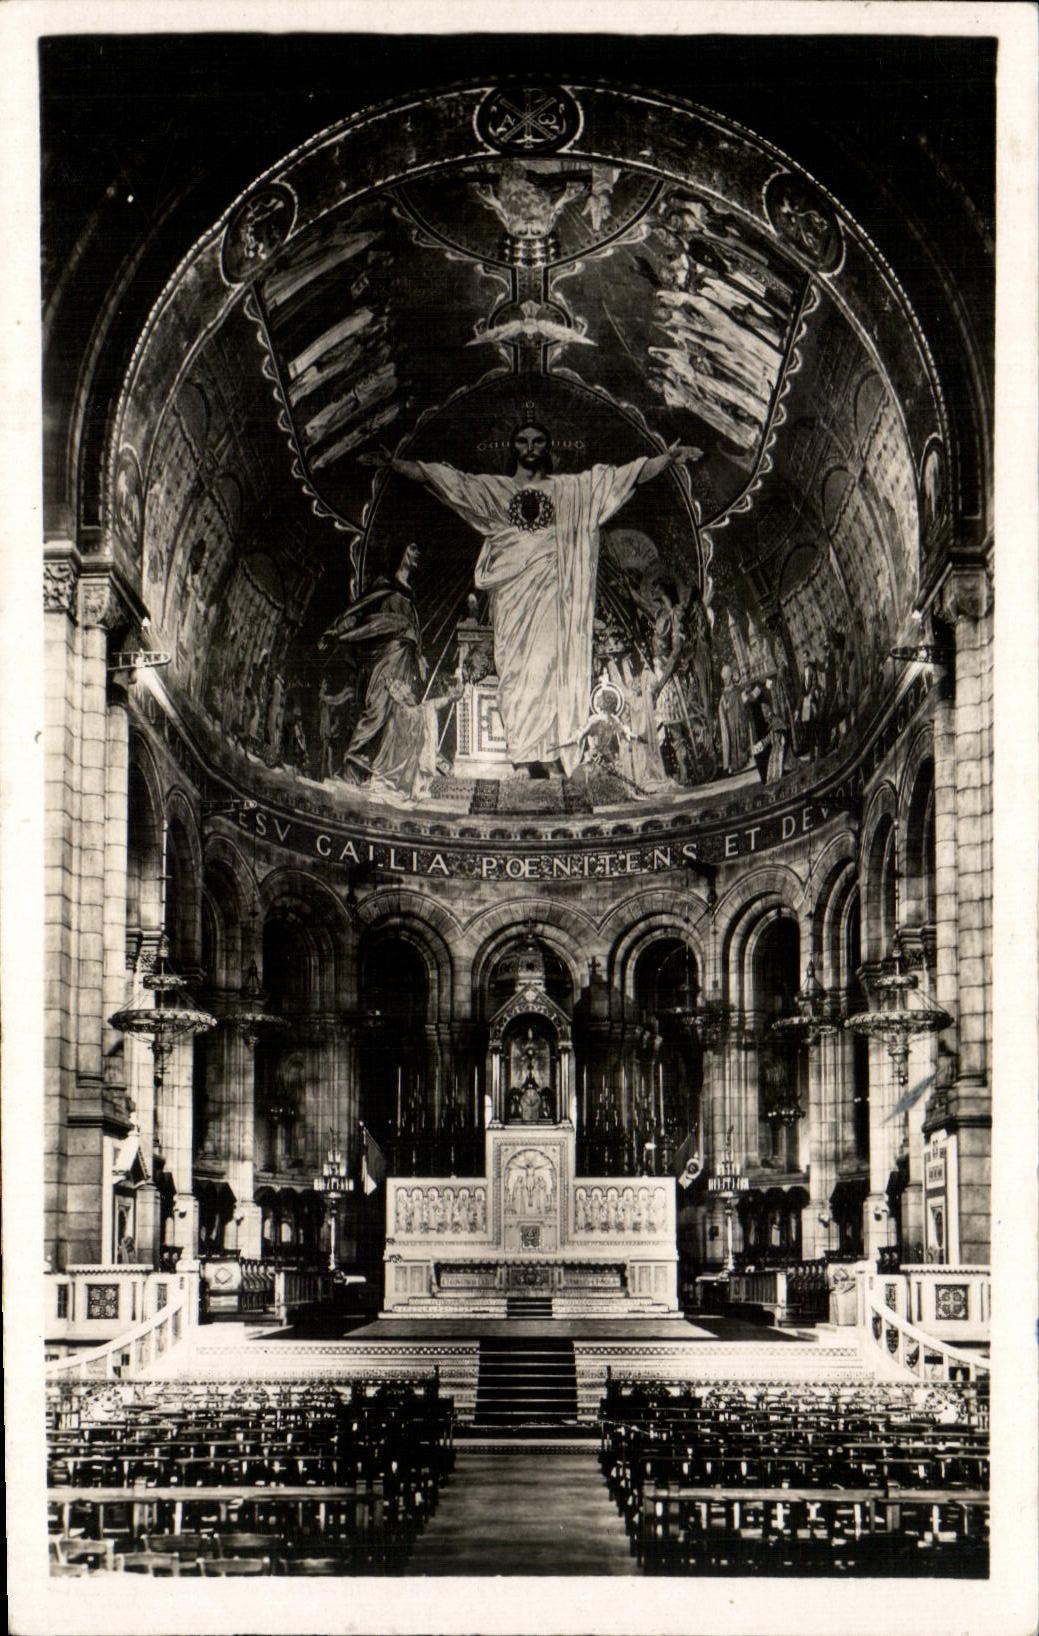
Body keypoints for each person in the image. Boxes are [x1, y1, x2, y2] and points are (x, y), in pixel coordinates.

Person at [359, 425, 702, 777]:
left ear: (548, 447)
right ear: (513, 448)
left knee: (551, 667)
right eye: (523, 441)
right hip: (512, 600)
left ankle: (551, 755)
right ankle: (523, 757)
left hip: (554, 598)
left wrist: (668, 459)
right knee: (517, 673)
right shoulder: (498, 489)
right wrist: (395, 464)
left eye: (538, 441)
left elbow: (624, 476)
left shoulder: (571, 490)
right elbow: (451, 482)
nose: (530, 447)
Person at [319, 542, 425, 777]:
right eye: (412, 548)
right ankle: (351, 765)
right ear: (401, 551)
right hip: (385, 657)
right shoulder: (384, 586)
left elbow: (414, 629)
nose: (417, 554)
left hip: (405, 659)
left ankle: (379, 772)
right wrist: (337, 630)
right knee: (378, 708)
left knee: (397, 715)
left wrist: (419, 655)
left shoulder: (410, 594)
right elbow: (359, 612)